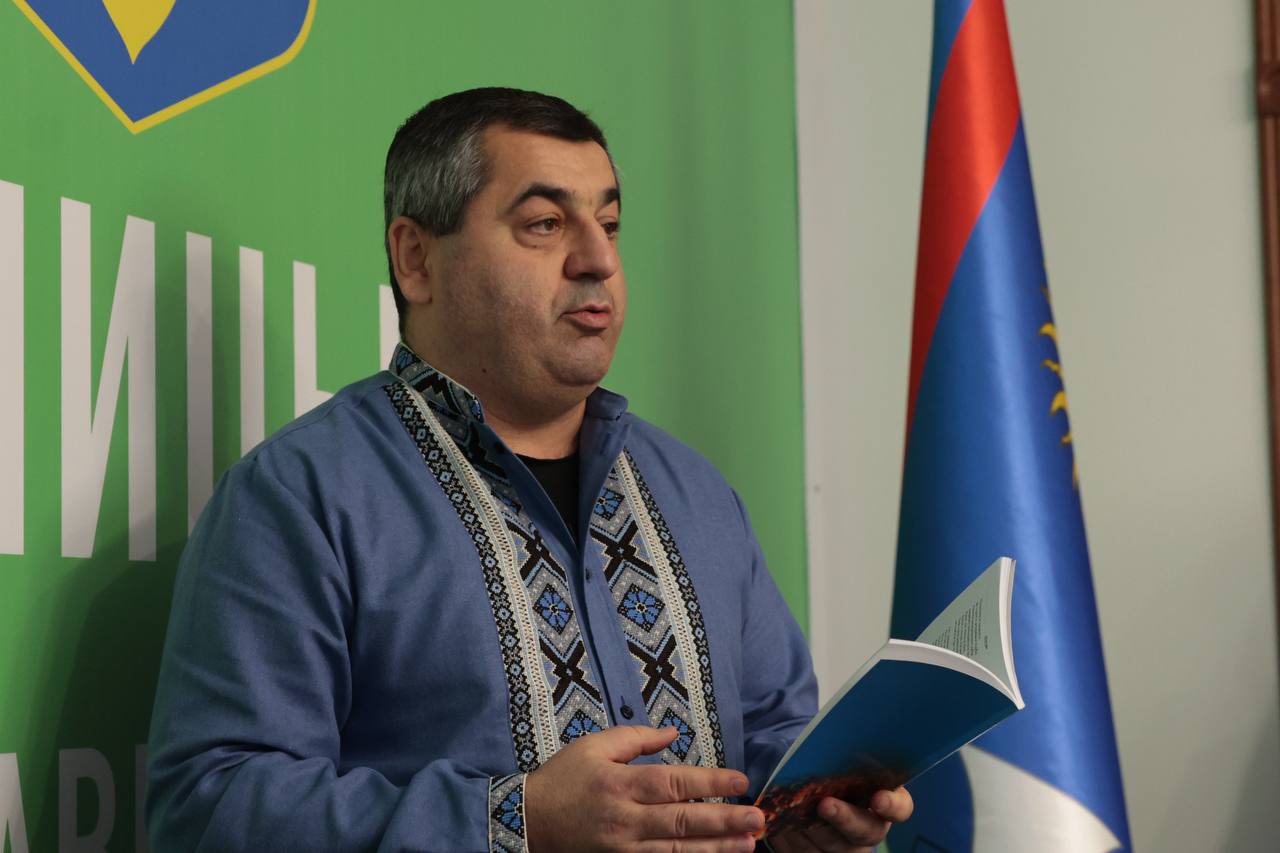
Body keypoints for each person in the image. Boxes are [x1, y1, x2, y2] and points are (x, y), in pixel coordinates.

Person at [146, 87, 912, 852]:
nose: (599, 260)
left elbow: (775, 738)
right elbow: (205, 808)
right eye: (545, 224)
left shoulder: (698, 495)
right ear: (416, 259)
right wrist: (519, 820)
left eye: (609, 224)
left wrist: (809, 814)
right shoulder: (303, 496)